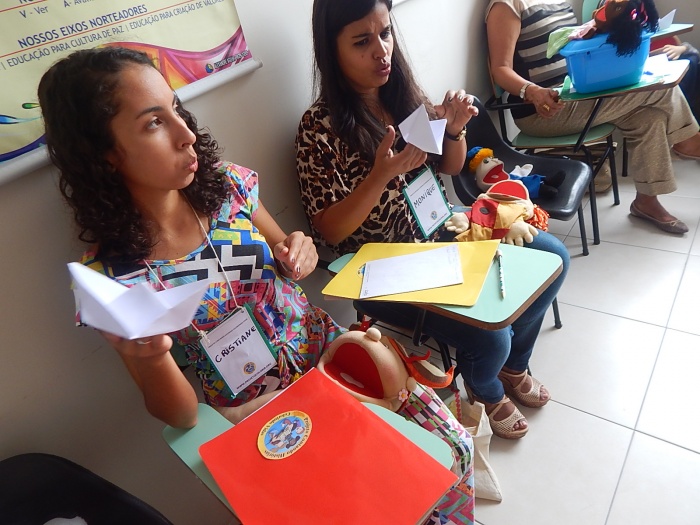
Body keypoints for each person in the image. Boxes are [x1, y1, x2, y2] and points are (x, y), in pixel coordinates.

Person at [38, 47, 473, 525]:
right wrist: (152, 355)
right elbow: (180, 416)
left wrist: (299, 251)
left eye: (176, 110)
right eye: (154, 123)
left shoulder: (225, 187)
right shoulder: (114, 278)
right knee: (366, 507)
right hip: (261, 415)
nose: (186, 134)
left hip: (334, 359)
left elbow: (289, 250)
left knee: (451, 451)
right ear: (102, 154)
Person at [297, 0, 570, 451]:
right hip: (385, 266)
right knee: (490, 336)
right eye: (362, 42)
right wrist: (380, 176)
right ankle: (485, 388)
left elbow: (450, 167)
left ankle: (512, 368)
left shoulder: (401, 95)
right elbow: (331, 230)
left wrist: (456, 129)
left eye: (385, 33)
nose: (381, 51)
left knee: (553, 258)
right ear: (332, 50)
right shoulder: (318, 128)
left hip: (444, 230)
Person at [486, 0, 700, 235]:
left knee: (649, 117)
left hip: (575, 92)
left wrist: (593, 30)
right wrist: (533, 91)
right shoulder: (507, 5)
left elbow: (570, 43)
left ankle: (646, 202)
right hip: (543, 110)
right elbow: (500, 69)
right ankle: (688, 141)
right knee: (661, 88)